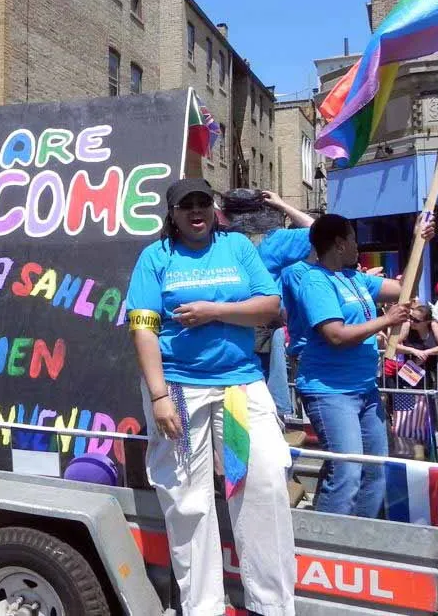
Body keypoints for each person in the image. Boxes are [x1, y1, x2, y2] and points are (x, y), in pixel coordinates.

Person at [127, 177, 295, 616]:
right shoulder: (156, 257)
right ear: (173, 214)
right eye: (186, 205)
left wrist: (214, 311)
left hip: (239, 387)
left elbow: (270, 307)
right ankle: (203, 607)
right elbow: (143, 326)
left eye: (203, 202)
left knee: (262, 485)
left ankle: (271, 606)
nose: (196, 210)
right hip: (178, 390)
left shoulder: (236, 247)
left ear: (214, 209)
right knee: (188, 501)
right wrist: (159, 396)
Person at [295, 214, 414, 518]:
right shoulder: (315, 281)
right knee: (346, 472)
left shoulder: (358, 279)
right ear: (339, 244)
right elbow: (335, 335)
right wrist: (387, 320)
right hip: (330, 391)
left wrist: (420, 241)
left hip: (365, 389)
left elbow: (406, 289)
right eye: (353, 239)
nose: (357, 247)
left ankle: (360, 535)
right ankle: (326, 540)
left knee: (376, 470)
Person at [222, 188, 314, 416]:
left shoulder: (219, 241)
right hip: (262, 328)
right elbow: (321, 231)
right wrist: (283, 205)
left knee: (235, 393)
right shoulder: (275, 240)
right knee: (260, 394)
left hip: (225, 324)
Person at [392, 302, 438, 388]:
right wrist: (414, 351)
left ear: (427, 322)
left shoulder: (433, 325)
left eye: (416, 320)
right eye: (411, 317)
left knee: (433, 394)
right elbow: (393, 346)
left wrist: (426, 353)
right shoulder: (407, 325)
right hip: (412, 371)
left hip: (434, 372)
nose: (412, 321)